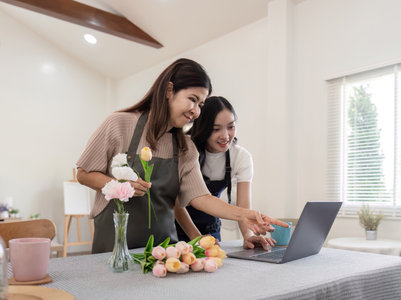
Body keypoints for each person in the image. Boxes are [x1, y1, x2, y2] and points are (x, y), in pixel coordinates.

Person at [76, 58, 287, 253]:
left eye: (201, 105)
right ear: (169, 90)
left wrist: (245, 215)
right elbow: (84, 173)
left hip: (164, 251)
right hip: (115, 247)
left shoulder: (185, 147)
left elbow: (201, 198)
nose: (196, 111)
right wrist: (120, 185)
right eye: (193, 100)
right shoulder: (119, 124)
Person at [175, 96, 275, 250]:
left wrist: (248, 235)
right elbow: (175, 201)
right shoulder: (185, 148)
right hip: (178, 229)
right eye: (216, 129)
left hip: (211, 231)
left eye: (231, 127)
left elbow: (243, 207)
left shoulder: (240, 157)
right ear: (202, 127)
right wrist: (195, 237)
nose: (225, 135)